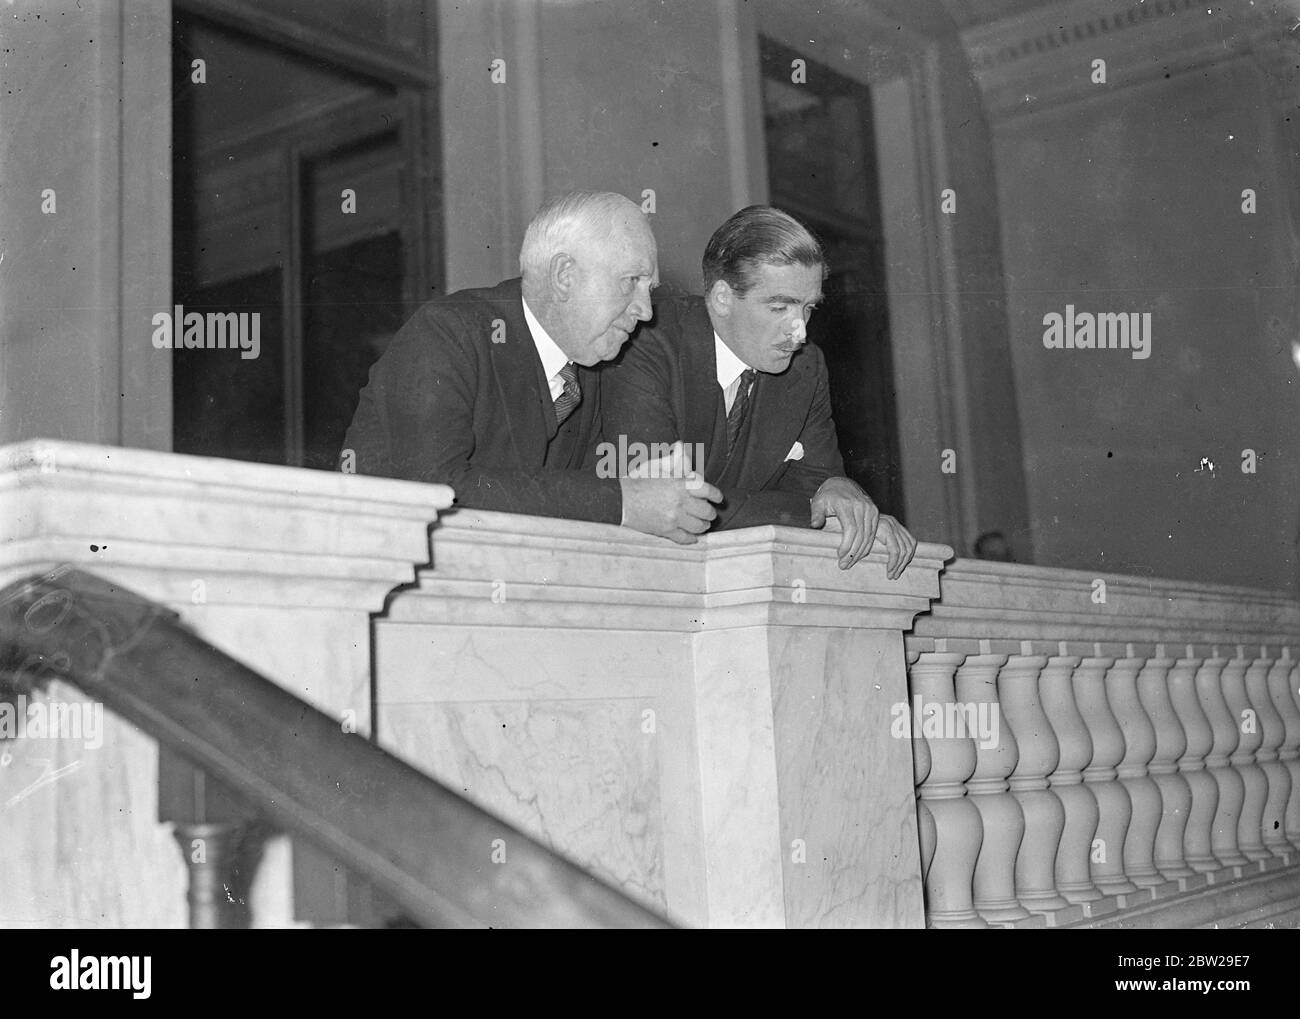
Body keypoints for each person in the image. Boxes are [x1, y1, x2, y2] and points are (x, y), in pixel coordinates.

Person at [341, 191, 721, 544]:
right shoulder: (448, 333)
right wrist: (622, 502)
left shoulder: (595, 366)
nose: (646, 310)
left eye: (648, 289)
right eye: (631, 282)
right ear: (563, 276)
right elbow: (437, 488)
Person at [600, 205, 916, 576]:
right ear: (722, 298)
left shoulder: (806, 366)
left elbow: (818, 481)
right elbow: (669, 499)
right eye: (779, 307)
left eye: (808, 308)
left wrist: (841, 491)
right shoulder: (646, 343)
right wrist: (816, 509)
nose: (800, 331)